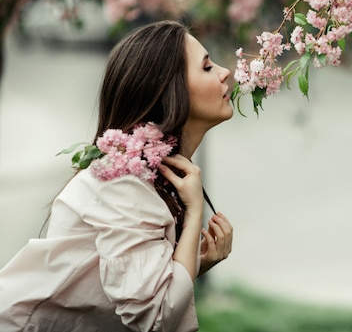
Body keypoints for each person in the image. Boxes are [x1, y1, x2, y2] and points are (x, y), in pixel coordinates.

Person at [0, 20, 234, 331]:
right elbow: (155, 319)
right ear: (169, 91)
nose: (225, 72)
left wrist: (195, 262)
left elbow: (131, 291)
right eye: (206, 68)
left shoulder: (150, 176)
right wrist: (194, 216)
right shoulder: (123, 181)